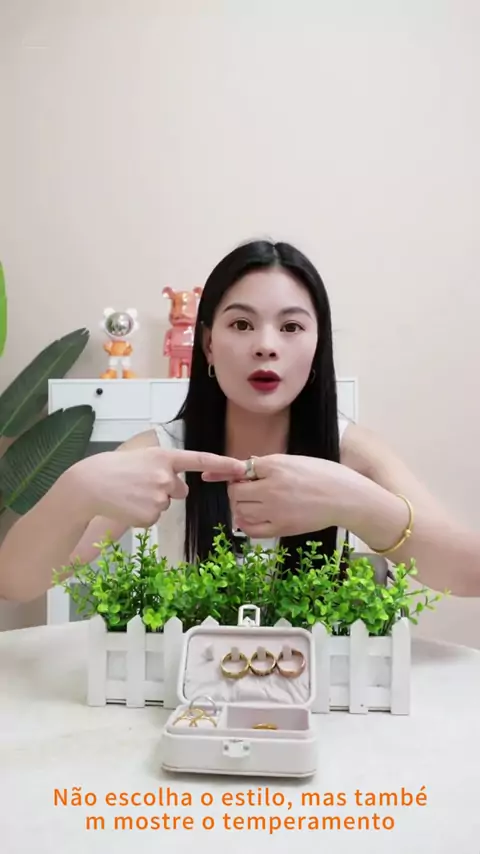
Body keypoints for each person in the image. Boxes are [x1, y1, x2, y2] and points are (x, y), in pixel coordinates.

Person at [0, 239, 479, 602]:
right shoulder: (157, 455)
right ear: (208, 344)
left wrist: (358, 505)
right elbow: (16, 583)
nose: (266, 345)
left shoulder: (355, 452)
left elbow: (469, 574)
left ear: (318, 347)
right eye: (242, 324)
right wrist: (77, 490)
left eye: (291, 326)